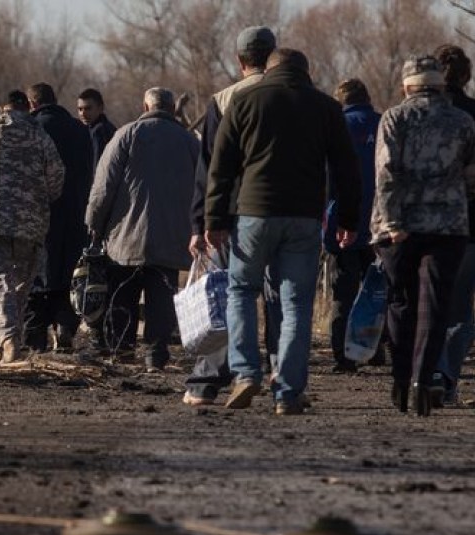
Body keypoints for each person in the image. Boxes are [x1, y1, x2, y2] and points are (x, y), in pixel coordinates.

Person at [205, 48, 361, 415]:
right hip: (304, 217)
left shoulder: (245, 100)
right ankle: (288, 391)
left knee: (242, 291)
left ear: (269, 69)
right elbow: (346, 169)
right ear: (305, 72)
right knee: (295, 302)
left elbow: (221, 165)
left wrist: (214, 219)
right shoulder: (325, 107)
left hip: (253, 214)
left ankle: (245, 374)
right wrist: (349, 221)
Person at [372, 55, 475, 416]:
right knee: (436, 304)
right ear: (441, 84)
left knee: (401, 302)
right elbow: (471, 176)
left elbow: (385, 173)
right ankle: (422, 379)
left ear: (406, 86)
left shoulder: (394, 118)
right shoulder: (463, 122)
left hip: (400, 228)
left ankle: (401, 379)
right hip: (449, 226)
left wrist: (392, 222)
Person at [184, 25, 277, 407]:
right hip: (284, 212)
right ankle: (282, 374)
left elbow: (209, 170)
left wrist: (201, 223)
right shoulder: (295, 96)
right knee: (280, 296)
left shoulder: (222, 100)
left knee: (225, 296)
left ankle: (208, 383)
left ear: (239, 61)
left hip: (232, 216)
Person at [86, 87, 198, 372]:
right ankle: (155, 356)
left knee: (122, 292)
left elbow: (103, 188)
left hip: (125, 236)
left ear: (145, 107)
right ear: (173, 109)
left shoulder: (126, 134)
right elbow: (204, 188)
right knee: (162, 296)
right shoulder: (189, 142)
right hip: (172, 236)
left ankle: (122, 350)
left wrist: (94, 224)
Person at [0, 90, 65, 364]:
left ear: (1, 108)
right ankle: (6, 346)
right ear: (27, 107)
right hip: (30, 225)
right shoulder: (40, 136)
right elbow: (56, 181)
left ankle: (6, 342)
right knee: (19, 289)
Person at [24, 83, 94, 354]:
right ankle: (65, 325)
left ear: (32, 103)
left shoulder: (32, 128)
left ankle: (35, 336)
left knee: (38, 276)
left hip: (40, 214)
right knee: (69, 274)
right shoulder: (80, 130)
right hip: (75, 213)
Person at [324, 79, 382, 373]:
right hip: (380, 223)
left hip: (342, 223)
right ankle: (377, 348)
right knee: (380, 288)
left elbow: (328, 178)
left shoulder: (336, 126)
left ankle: (344, 356)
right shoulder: (384, 123)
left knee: (343, 292)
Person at [432, 45, 475, 406]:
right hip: (468, 225)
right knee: (460, 309)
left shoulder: (421, 114)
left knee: (428, 303)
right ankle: (447, 378)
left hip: (425, 223)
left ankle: (429, 373)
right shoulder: (472, 115)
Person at [77, 88, 117, 169]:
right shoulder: (108, 127)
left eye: (88, 108)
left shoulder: (99, 132)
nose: (83, 113)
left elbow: (97, 166)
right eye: (80, 109)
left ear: (100, 108)